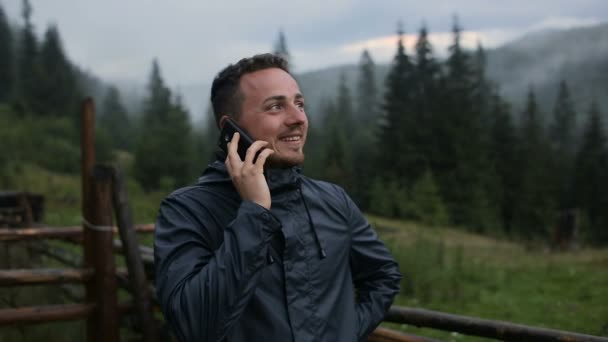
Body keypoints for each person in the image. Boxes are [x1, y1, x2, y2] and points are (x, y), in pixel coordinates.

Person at [154, 53, 401, 342]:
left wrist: (345, 331)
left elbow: (384, 276)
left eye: (299, 104)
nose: (297, 119)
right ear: (229, 130)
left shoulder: (334, 200)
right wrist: (255, 211)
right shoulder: (187, 210)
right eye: (275, 107)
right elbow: (193, 326)